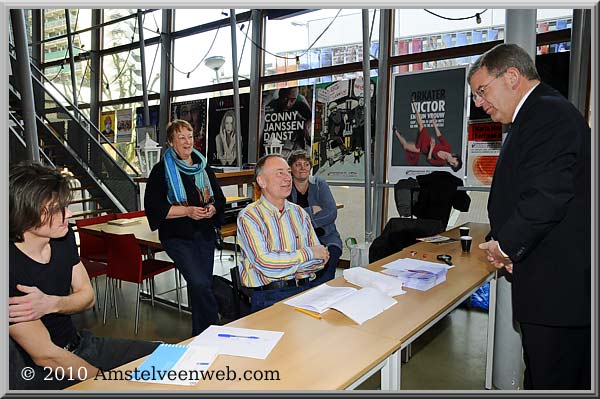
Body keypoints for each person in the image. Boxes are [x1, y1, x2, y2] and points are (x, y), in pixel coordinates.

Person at [469, 43, 590, 390]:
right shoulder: (533, 116)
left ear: (511, 76)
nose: (478, 103)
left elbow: (547, 196)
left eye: (481, 91)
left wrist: (506, 246)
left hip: (559, 293)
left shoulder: (548, 115)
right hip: (548, 285)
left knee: (556, 379)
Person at [9, 162, 159, 390]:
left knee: (164, 358)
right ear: (25, 213)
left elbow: (87, 296)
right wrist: (105, 382)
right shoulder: (9, 267)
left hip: (80, 345)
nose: (68, 214)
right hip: (40, 371)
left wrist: (52, 303)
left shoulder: (63, 235)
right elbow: (46, 355)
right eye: (57, 209)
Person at [145, 119, 225, 336]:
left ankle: (200, 334)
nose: (187, 141)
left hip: (205, 234)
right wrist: (188, 211)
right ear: (171, 142)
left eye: (190, 136)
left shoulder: (203, 165)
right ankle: (215, 329)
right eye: (181, 137)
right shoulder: (161, 170)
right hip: (177, 237)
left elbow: (219, 199)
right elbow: (154, 209)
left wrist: (212, 209)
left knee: (202, 284)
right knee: (199, 283)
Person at [236, 154, 329, 312]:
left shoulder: (299, 213)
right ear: (261, 181)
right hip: (269, 296)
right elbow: (265, 263)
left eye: (288, 172)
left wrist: (288, 263)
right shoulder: (249, 216)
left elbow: (321, 259)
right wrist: (307, 254)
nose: (288, 178)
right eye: (280, 173)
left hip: (305, 290)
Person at [287, 150, 343, 285]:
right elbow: (288, 217)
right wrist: (312, 210)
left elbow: (331, 212)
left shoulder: (319, 183)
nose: (302, 168)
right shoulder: (286, 187)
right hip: (298, 240)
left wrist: (303, 219)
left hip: (326, 236)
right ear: (291, 168)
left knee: (327, 272)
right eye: (298, 164)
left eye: (306, 164)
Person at [394, 105, 462, 171]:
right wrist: (434, 124)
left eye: (453, 166)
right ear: (455, 158)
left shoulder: (442, 162)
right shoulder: (448, 147)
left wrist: (431, 149)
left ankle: (396, 131)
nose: (451, 164)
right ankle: (414, 105)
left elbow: (429, 160)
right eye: (454, 163)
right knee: (421, 125)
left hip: (423, 149)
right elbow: (440, 136)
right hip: (427, 141)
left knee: (405, 146)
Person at [265, 87, 312, 155]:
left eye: (292, 100)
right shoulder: (271, 107)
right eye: (285, 98)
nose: (288, 104)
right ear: (280, 95)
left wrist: (306, 125)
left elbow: (310, 118)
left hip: (296, 145)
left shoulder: (300, 103)